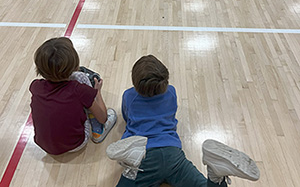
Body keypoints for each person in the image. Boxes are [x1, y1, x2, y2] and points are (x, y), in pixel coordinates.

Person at [106, 55, 260, 186]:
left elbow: (127, 119)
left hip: (143, 156)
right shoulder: (171, 92)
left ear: (135, 81)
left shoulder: (128, 96)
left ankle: (131, 171)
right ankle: (215, 176)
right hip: (173, 153)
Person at [29, 37, 117, 155]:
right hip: (76, 144)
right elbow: (103, 117)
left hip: (44, 145)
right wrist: (97, 93)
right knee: (82, 80)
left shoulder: (35, 86)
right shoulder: (79, 89)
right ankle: (98, 130)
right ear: (75, 66)